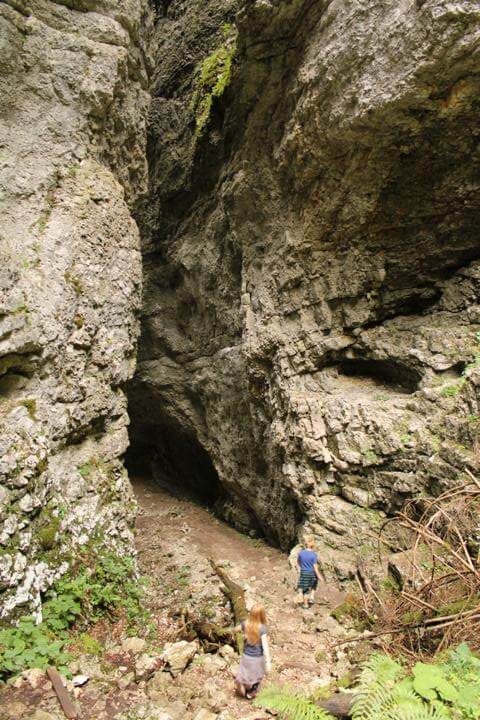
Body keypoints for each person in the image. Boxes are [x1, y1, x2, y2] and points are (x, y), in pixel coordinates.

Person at [234, 605, 272, 700]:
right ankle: (251, 692)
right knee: (257, 675)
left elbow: (235, 629)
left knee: (245, 672)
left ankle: (241, 683)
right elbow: (265, 647)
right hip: (257, 658)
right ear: (262, 615)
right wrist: (268, 662)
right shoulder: (262, 628)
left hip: (246, 656)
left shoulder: (246, 624)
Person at [297, 539, 322, 609]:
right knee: (314, 582)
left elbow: (298, 562)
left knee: (305, 589)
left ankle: (305, 605)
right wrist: (319, 576)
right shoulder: (314, 555)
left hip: (304, 573)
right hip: (312, 573)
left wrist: (301, 568)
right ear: (313, 546)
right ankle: (312, 596)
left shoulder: (301, 553)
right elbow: (315, 567)